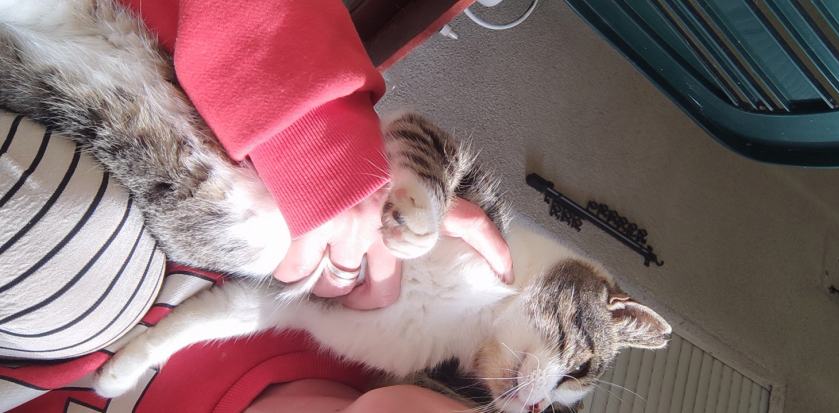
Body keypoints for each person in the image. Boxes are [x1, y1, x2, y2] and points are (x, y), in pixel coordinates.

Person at [1, 0, 513, 411]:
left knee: (81, 269)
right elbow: (410, 136)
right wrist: (315, 136)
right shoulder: (458, 301)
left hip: (59, 83)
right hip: (131, 34)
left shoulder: (82, 296)